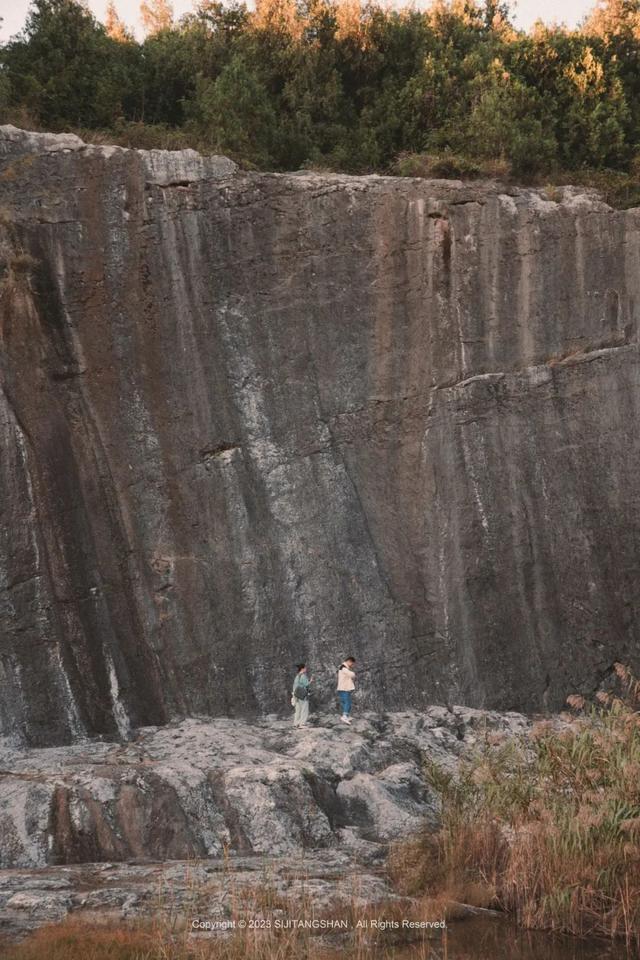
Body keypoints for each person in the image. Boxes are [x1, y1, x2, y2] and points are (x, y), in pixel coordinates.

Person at [337, 657, 356, 724]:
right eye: (352, 664)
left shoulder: (343, 667)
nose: (352, 665)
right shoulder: (343, 667)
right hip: (344, 688)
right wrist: (354, 674)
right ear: (349, 661)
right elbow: (351, 674)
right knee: (347, 702)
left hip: (343, 688)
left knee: (347, 702)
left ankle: (346, 715)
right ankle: (344, 717)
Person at [291, 663, 311, 727]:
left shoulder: (297, 676)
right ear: (302, 668)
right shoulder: (303, 676)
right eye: (305, 668)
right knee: (304, 709)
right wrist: (311, 681)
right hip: (303, 695)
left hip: (296, 695)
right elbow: (307, 684)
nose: (306, 669)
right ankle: (302, 723)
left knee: (298, 710)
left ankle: (296, 723)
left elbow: (295, 686)